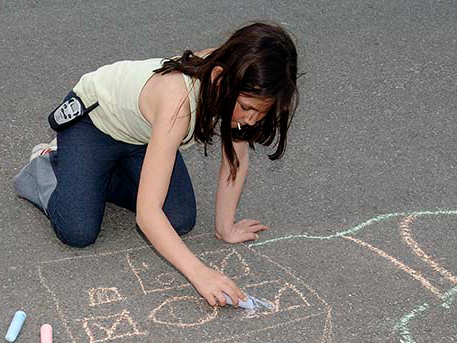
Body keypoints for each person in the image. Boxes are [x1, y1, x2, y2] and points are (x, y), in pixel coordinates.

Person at [15, 22, 299, 307]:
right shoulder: (180, 100)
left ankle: (97, 173)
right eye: (248, 108)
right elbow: (147, 214)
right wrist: (200, 273)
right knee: (78, 230)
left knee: (179, 220)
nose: (251, 120)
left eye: (261, 113)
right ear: (219, 78)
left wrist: (225, 228)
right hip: (93, 123)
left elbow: (236, 155)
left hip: (144, 136)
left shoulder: (233, 71)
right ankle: (52, 162)